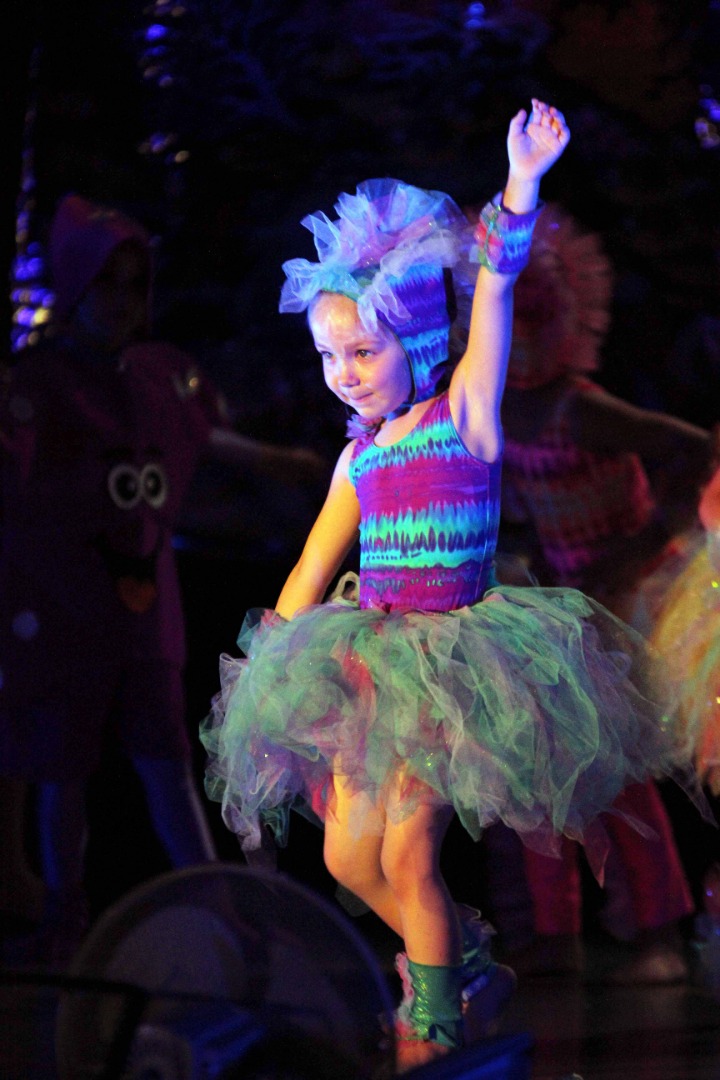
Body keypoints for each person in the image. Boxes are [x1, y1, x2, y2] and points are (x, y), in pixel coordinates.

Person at [201, 102, 697, 1072]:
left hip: (454, 664)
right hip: (367, 658)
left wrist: (519, 184)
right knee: (348, 860)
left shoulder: (464, 413)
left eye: (364, 352)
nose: (344, 375)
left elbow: (498, 282)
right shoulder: (359, 456)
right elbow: (311, 562)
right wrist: (274, 654)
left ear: (418, 341)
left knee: (406, 859)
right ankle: (464, 962)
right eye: (329, 358)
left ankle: (429, 1032)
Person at [0, 193, 326, 967]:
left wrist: (278, 463)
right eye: (106, 282)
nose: (121, 301)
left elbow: (197, 433)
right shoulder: (38, 382)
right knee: (63, 770)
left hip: (145, 616)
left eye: (135, 283)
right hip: (60, 613)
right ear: (77, 284)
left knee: (167, 762)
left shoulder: (158, 374)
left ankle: (217, 913)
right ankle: (64, 913)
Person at [490, 203, 711, 983]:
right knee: (550, 765)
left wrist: (640, 544)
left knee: (615, 766)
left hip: (628, 597)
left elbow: (695, 447)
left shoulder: (577, 404)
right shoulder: (498, 404)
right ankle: (556, 934)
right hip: (568, 597)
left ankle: (655, 926)